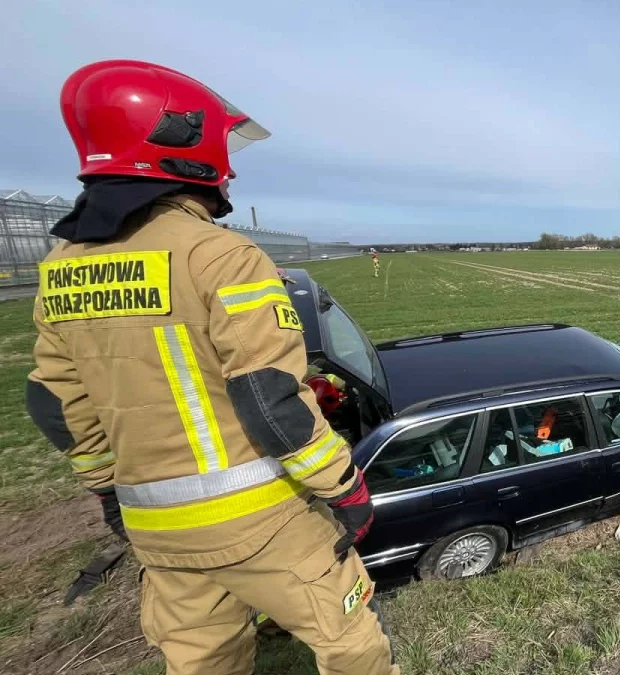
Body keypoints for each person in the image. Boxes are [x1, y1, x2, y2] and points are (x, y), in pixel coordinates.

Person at [24, 59, 399, 675]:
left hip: (153, 526)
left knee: (203, 660)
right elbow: (269, 395)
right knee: (350, 642)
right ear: (182, 139)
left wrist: (109, 493)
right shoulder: (220, 254)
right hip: (257, 518)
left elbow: (55, 403)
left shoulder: (62, 265)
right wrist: (344, 485)